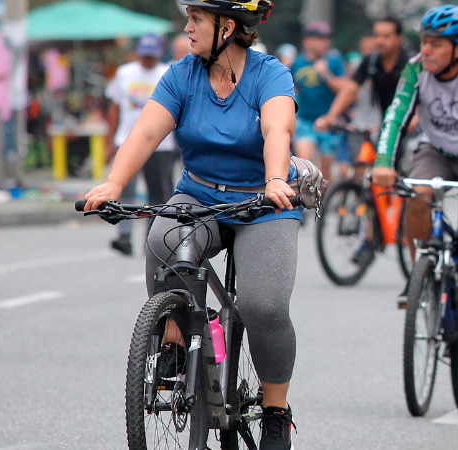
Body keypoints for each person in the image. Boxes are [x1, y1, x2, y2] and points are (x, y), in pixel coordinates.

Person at [80, 1, 301, 447]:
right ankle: (176, 340)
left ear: (228, 27)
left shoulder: (269, 73)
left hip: (262, 200)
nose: (186, 28)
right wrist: (112, 184)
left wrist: (277, 178)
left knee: (263, 305)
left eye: (196, 19)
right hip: (199, 192)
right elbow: (144, 133)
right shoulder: (182, 74)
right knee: (163, 239)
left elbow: (278, 130)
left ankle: (276, 409)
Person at [369, 4, 458, 375]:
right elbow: (395, 116)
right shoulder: (415, 69)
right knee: (416, 193)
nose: (425, 50)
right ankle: (425, 270)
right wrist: (383, 161)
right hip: (436, 153)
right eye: (423, 42)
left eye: (434, 44)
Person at [105, 33, 178, 256]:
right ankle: (124, 236)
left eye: (151, 56)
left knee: (158, 194)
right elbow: (115, 108)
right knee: (125, 190)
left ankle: (153, 240)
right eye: (144, 55)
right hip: (126, 139)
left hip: (161, 144)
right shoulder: (125, 73)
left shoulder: (167, 74)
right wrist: (110, 142)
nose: (147, 60)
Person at [320, 17, 412, 135]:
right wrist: (331, 116)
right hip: (383, 126)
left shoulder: (411, 63)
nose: (380, 41)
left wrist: (406, 126)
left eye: (386, 36)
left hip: (409, 126)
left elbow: (420, 101)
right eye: (377, 36)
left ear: (399, 39)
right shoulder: (371, 61)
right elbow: (351, 88)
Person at [292, 21, 355, 181]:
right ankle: (304, 201)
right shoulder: (298, 63)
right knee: (304, 164)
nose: (324, 42)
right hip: (306, 120)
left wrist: (326, 74)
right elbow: (293, 90)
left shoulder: (334, 60)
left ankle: (323, 203)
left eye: (326, 38)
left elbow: (345, 89)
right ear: (307, 41)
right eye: (319, 38)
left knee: (325, 172)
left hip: (328, 122)